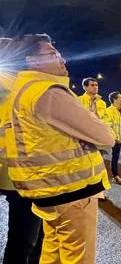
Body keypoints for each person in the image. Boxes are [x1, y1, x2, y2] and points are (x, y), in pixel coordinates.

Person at [3, 33, 115, 264]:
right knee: (77, 258)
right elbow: (106, 137)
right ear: (32, 60)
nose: (62, 58)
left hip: (47, 191)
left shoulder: (22, 91)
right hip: (71, 192)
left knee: (52, 254)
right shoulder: (48, 92)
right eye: (52, 54)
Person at [0, 38, 43, 264]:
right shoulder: (8, 83)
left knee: (32, 235)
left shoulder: (18, 82)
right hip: (20, 173)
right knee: (23, 237)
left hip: (27, 172)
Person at [78, 76, 112, 201]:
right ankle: (85, 191)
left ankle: (99, 192)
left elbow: (106, 119)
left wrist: (107, 132)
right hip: (84, 137)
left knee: (99, 164)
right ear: (85, 87)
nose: (95, 87)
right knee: (85, 165)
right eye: (92, 85)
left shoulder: (102, 103)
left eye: (96, 85)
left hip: (98, 137)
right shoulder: (78, 101)